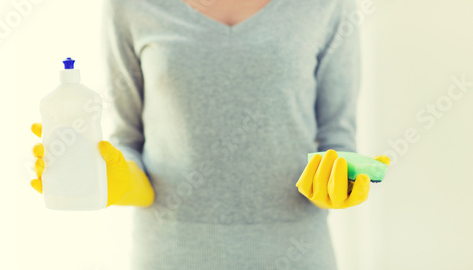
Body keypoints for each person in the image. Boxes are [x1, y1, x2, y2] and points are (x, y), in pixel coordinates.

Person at [30, 0, 387, 269]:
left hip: (297, 254)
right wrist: (116, 181)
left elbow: (336, 138)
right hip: (166, 256)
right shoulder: (131, 6)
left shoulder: (327, 6)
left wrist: (340, 184)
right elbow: (129, 140)